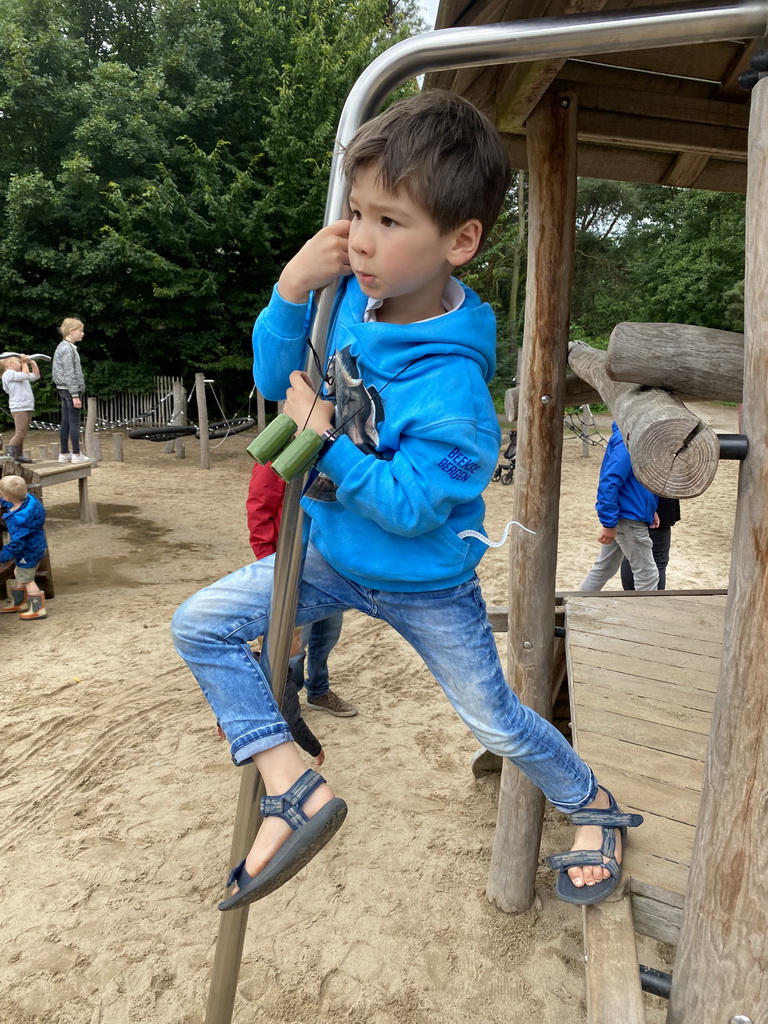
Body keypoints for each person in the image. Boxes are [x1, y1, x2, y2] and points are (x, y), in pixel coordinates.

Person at [172, 89, 641, 914]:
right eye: (357, 213)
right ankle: (292, 782)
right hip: (328, 556)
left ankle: (594, 807)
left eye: (389, 222)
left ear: (460, 241)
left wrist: (327, 445)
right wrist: (288, 294)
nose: (359, 239)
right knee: (200, 626)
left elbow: (415, 505)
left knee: (494, 721)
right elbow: (274, 381)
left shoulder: (453, 384)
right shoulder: (349, 297)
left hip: (424, 583)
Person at [246, 461, 355, 716]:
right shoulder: (280, 453)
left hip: (328, 559)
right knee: (291, 640)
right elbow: (260, 508)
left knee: (327, 631)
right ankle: (283, 700)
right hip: (291, 560)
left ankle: (319, 690)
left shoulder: (334, 449)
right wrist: (271, 562)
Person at [579, 422, 659, 592]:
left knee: (604, 567)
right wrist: (608, 523)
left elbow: (636, 481)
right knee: (647, 573)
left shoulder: (633, 436)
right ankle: (646, 615)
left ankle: (577, 600)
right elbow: (610, 481)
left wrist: (650, 509)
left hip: (627, 513)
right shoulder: (629, 439)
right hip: (627, 517)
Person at [0, 475, 48, 619]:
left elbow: (16, 544)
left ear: (7, 498)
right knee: (19, 572)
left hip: (28, 552)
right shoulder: (30, 500)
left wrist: (3, 557)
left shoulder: (17, 520)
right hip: (37, 545)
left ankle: (38, 609)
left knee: (27, 579)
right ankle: (19, 602)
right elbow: (13, 500)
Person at [620, 496, 681, 591]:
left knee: (632, 555)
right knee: (657, 560)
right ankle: (653, 600)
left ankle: (631, 596)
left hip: (634, 500)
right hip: (653, 499)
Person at [52, 318, 89, 464]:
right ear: (72, 331)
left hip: (63, 389)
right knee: (74, 422)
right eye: (80, 330)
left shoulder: (63, 347)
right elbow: (69, 372)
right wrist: (75, 395)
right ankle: (76, 453)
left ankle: (64, 453)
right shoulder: (67, 348)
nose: (82, 333)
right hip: (70, 390)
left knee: (66, 422)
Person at [1, 354, 40, 463]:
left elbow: (36, 376)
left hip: (27, 406)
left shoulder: (20, 375)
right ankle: (11, 456)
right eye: (18, 362)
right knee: (19, 433)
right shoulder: (8, 374)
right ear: (10, 363)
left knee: (23, 432)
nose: (20, 364)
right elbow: (25, 375)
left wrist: (32, 362)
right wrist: (24, 362)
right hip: (19, 408)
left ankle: (18, 455)